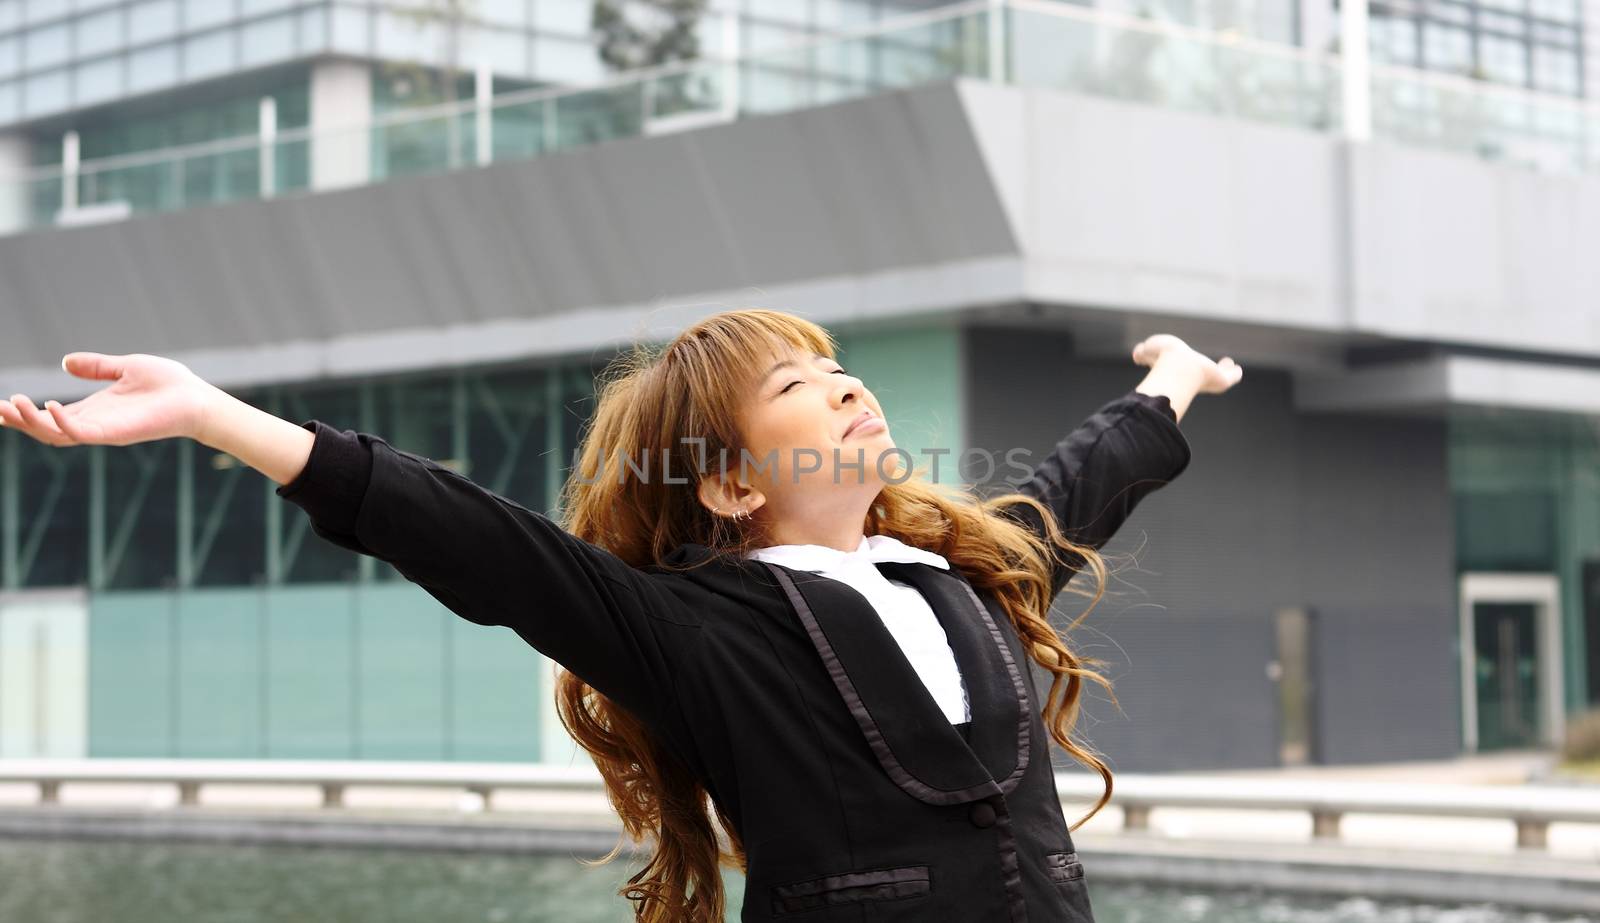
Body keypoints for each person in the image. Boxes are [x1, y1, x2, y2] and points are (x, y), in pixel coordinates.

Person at [0, 308, 1241, 923]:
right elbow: (478, 539)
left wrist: (1173, 378)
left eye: (842, 367)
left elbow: (1081, 481)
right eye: (801, 386)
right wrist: (217, 413)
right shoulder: (698, 628)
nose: (848, 384)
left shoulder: (966, 578)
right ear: (731, 483)